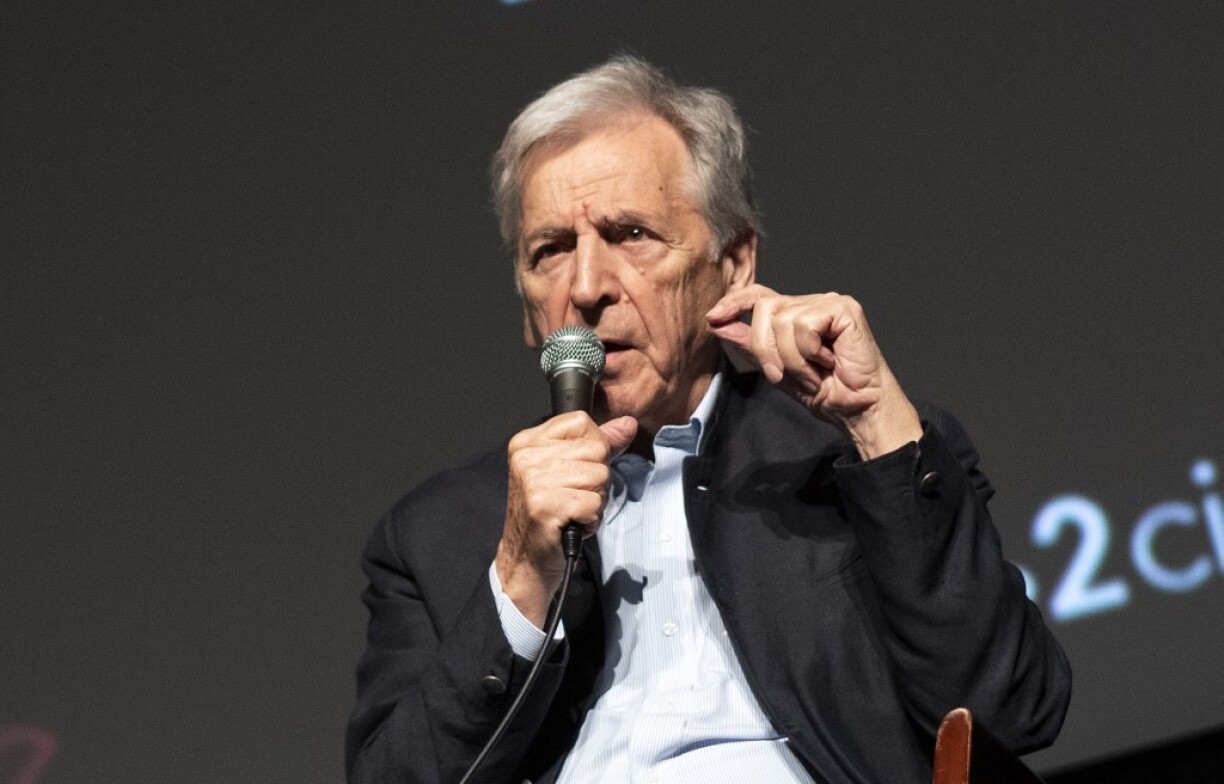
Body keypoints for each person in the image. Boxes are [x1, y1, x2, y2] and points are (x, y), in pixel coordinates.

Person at [346, 56, 1071, 784]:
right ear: (528, 307)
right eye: (551, 251)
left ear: (735, 263)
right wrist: (520, 582)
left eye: (631, 234)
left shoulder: (850, 456)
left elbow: (1014, 710)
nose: (586, 287)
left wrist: (877, 426)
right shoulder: (435, 534)